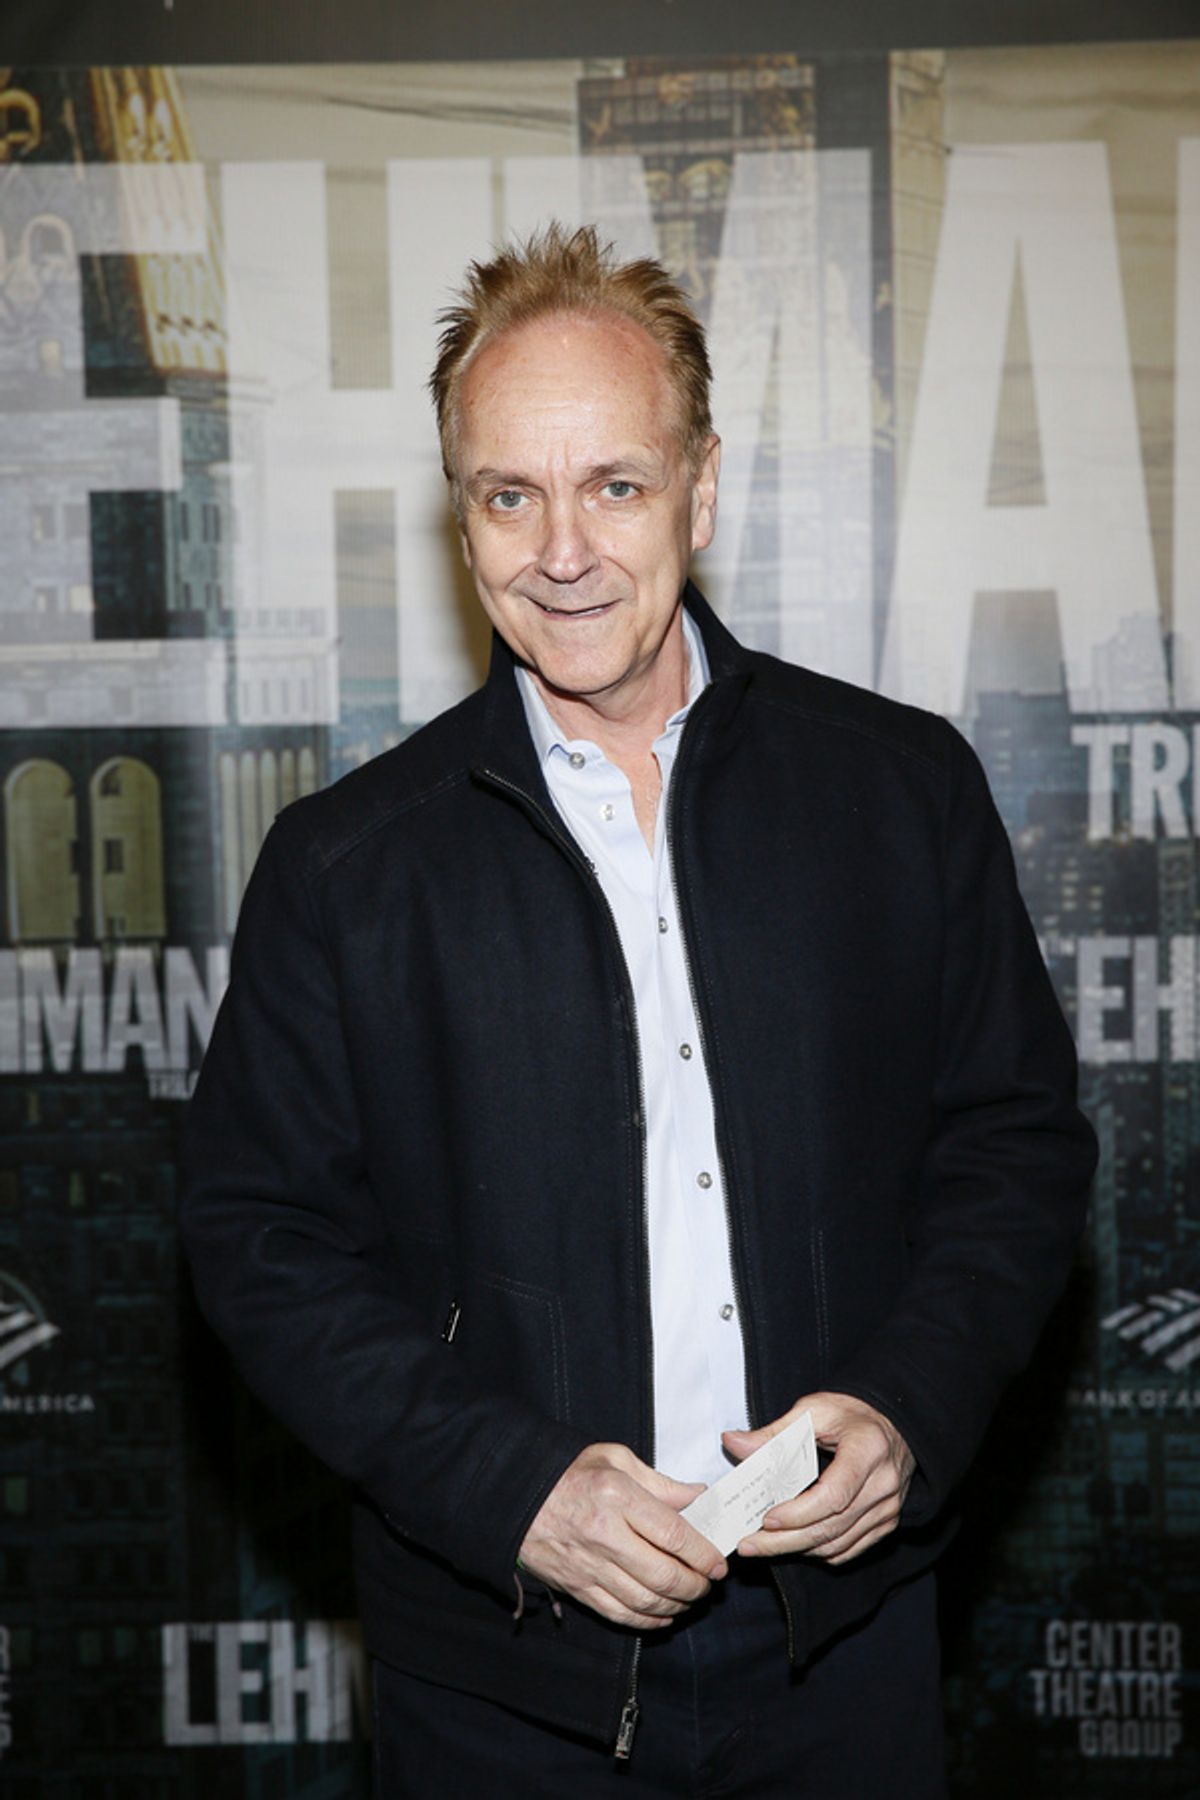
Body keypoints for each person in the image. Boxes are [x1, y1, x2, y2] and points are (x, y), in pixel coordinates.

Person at [181, 224, 1097, 1796]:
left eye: (614, 483)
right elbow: (257, 1239)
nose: (563, 550)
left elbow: (1012, 1150)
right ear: (461, 524)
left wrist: (906, 1406)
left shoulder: (900, 789)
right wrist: (508, 1488)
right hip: (502, 1675)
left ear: (704, 487)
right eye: (508, 494)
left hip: (844, 1647)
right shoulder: (346, 865)